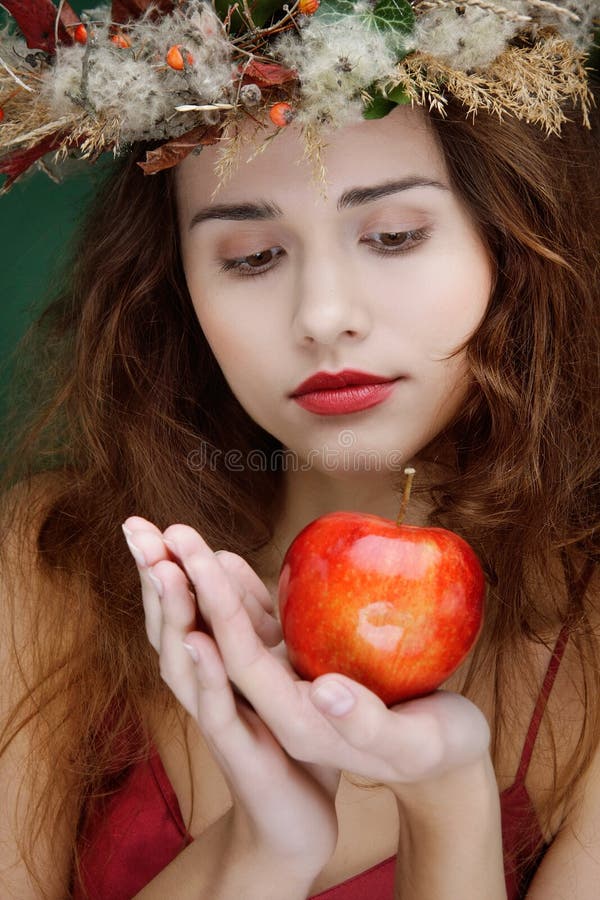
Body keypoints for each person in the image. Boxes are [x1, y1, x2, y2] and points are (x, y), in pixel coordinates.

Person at [0, 1, 598, 898]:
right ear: (177, 286)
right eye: (248, 256)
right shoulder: (47, 563)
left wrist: (448, 803)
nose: (323, 317)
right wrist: (266, 846)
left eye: (393, 236)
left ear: (513, 244)